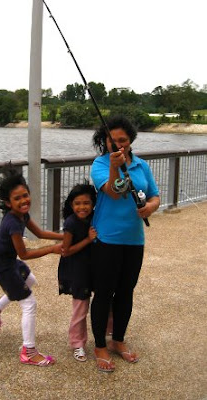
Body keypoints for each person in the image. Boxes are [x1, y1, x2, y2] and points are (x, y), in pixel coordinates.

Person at [90, 115, 160, 372]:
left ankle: (118, 340)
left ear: (130, 141)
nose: (118, 145)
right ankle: (99, 345)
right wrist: (114, 166)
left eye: (123, 140)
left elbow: (154, 195)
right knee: (104, 293)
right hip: (108, 239)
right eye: (113, 140)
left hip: (134, 240)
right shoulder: (99, 164)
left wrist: (150, 207)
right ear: (105, 141)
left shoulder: (141, 166)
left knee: (126, 292)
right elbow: (112, 190)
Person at [0, 165, 63, 367]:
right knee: (29, 303)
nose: (23, 201)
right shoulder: (12, 223)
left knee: (28, 279)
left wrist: (66, 236)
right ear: (8, 203)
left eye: (25, 195)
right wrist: (52, 250)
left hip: (2, 258)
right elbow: (24, 253)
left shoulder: (22, 216)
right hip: (1, 264)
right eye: (17, 199)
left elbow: (41, 233)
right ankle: (28, 351)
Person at [58, 183, 97, 362]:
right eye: (78, 203)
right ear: (71, 205)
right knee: (80, 309)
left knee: (107, 298)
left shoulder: (95, 217)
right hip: (77, 270)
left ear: (93, 204)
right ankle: (77, 343)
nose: (82, 207)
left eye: (86, 203)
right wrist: (88, 240)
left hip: (93, 266)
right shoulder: (70, 223)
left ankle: (107, 331)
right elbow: (66, 251)